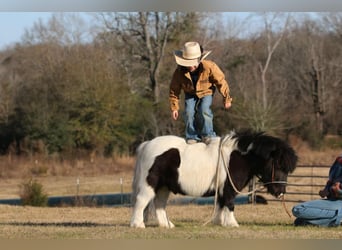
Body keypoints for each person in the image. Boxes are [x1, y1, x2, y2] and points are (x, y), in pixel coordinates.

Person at [169, 41, 232, 144]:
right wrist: (174, 108)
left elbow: (221, 82)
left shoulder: (210, 67)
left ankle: (208, 134)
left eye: (193, 64)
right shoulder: (179, 72)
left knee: (204, 110)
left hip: (206, 91)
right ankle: (192, 136)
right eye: (188, 64)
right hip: (190, 93)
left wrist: (226, 98)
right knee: (189, 112)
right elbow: (174, 90)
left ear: (199, 60)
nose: (191, 67)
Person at [292, 155, 342, 227]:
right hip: (333, 200)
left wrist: (339, 191)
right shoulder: (339, 160)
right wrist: (326, 190)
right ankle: (336, 220)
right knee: (299, 221)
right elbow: (331, 181)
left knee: (298, 209)